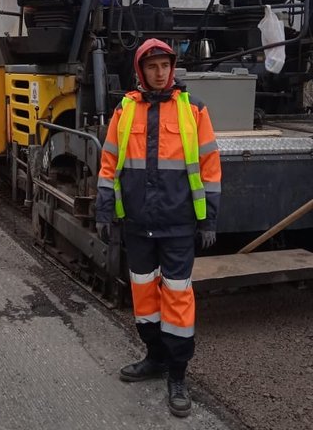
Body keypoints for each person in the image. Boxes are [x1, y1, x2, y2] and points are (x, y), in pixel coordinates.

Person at [95, 38, 221, 418]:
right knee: (145, 297)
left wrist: (209, 218)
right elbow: (109, 163)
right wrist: (104, 211)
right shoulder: (125, 110)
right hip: (137, 223)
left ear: (172, 68)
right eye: (152, 66)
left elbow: (210, 167)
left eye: (165, 65)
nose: (159, 72)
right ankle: (154, 357)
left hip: (178, 223)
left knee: (178, 299)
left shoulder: (194, 109)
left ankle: (177, 374)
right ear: (141, 71)